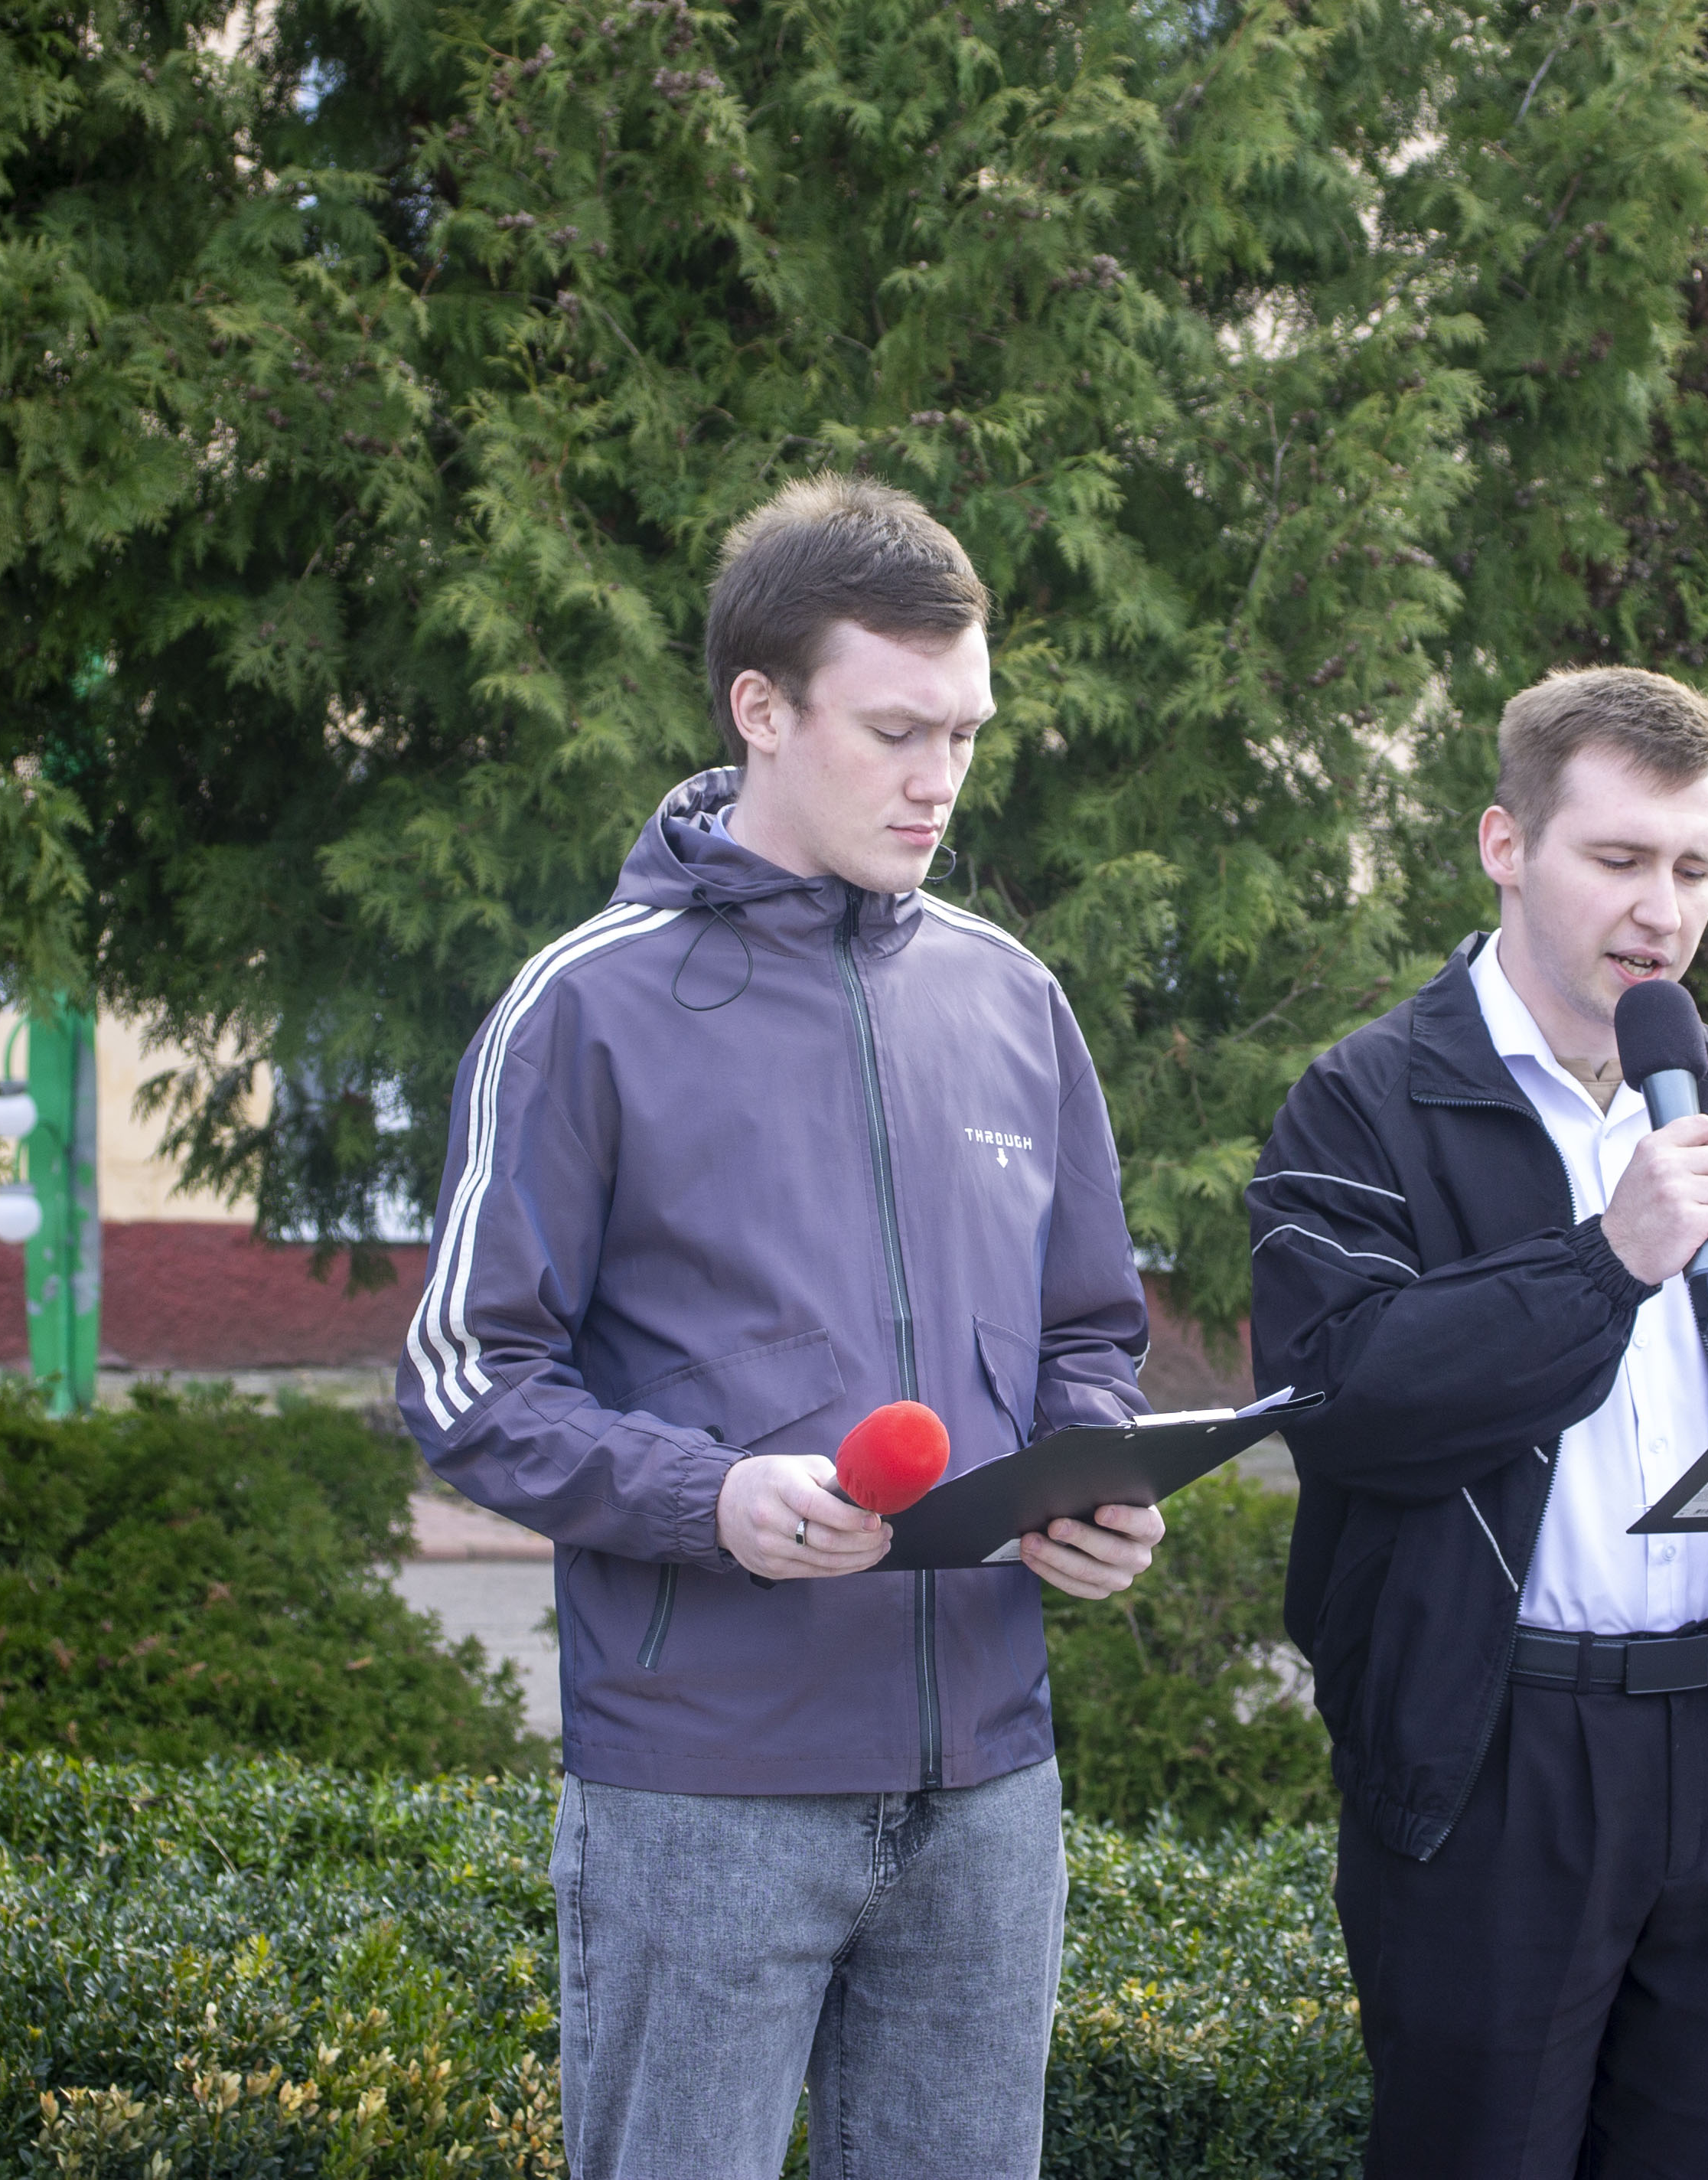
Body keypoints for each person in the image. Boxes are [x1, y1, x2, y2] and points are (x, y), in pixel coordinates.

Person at [398, 475, 1166, 2180]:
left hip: (990, 1785)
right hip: (705, 1788)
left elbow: (1088, 1331)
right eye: (896, 732)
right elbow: (466, 1377)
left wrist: (1094, 1477)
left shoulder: (1012, 997)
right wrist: (709, 1496)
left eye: (965, 733)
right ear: (761, 708)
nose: (940, 778)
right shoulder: (587, 1002)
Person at [1246, 666, 1708, 2178]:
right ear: (1506, 846)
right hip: (1493, 1758)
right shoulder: (1367, 1099)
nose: (1664, 909)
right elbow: (1347, 1404)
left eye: (1695, 867)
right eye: (1621, 857)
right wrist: (1607, 1259)